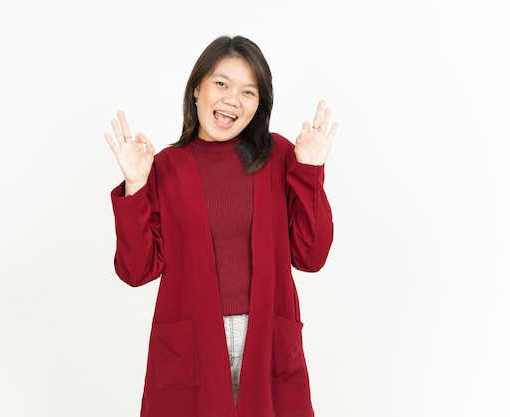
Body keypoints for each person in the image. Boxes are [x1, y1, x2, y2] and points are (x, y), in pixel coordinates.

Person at [104, 35, 337, 417]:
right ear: (197, 88)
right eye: (222, 83)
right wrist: (135, 185)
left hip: (266, 342)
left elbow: (311, 257)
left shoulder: (279, 156)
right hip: (191, 345)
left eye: (249, 91)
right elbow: (136, 270)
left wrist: (310, 170)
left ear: (259, 105)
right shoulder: (165, 167)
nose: (233, 99)